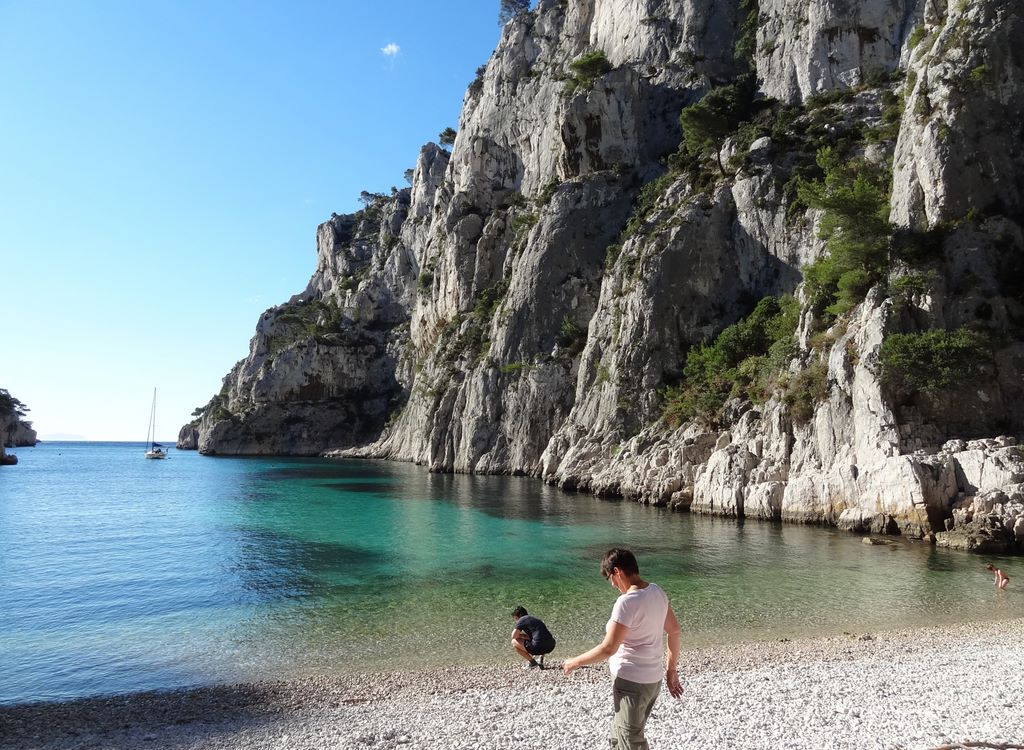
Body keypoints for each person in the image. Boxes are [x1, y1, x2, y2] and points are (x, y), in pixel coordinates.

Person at [563, 548, 683, 749]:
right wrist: (671, 670)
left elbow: (608, 648)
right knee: (618, 733)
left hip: (632, 683)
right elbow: (675, 631)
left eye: (609, 578)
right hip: (652, 681)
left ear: (617, 572)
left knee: (630, 740)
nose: (612, 584)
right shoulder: (657, 592)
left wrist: (574, 662)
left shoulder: (627, 602)